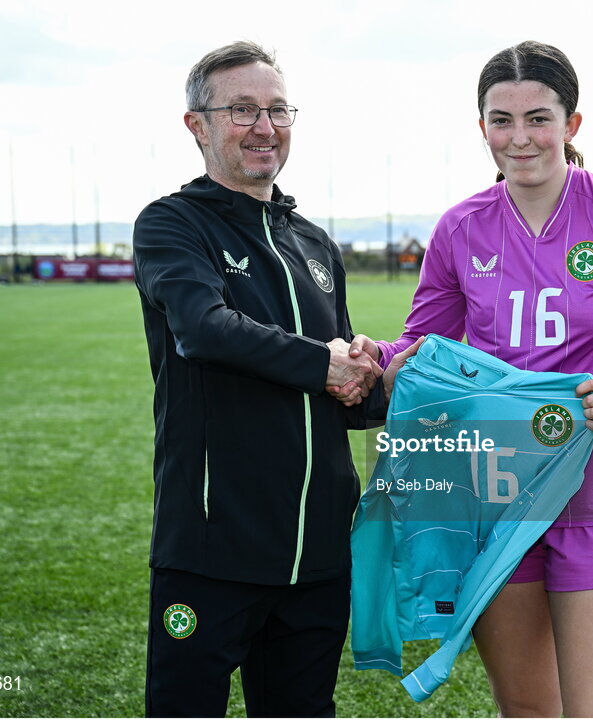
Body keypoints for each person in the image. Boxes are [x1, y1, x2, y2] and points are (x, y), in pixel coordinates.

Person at [337, 41, 593, 716]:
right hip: (495, 493)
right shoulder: (461, 228)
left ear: (572, 124)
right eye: (501, 120)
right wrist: (381, 356)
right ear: (482, 127)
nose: (520, 138)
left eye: (539, 118)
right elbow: (425, 343)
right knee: (529, 713)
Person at [133, 40, 409, 718]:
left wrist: (387, 381)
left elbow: (343, 399)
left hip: (318, 555)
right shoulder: (173, 224)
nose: (265, 127)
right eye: (243, 110)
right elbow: (204, 328)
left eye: (278, 109)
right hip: (212, 548)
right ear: (197, 125)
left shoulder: (314, 244)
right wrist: (327, 363)